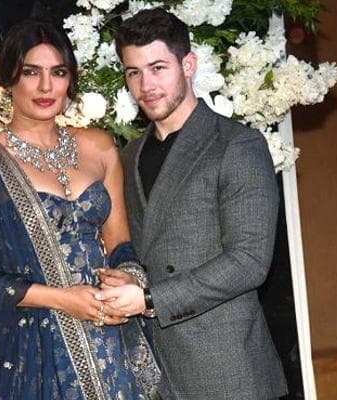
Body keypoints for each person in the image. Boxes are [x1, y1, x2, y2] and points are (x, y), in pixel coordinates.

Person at [0, 19, 160, 400]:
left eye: (58, 72)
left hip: (111, 339)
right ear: (8, 78)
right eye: (31, 72)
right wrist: (62, 299)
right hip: (35, 352)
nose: (46, 87)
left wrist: (128, 278)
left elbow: (119, 243)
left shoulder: (100, 148)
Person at [97, 8, 288, 400]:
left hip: (229, 374)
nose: (146, 85)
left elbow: (249, 262)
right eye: (134, 72)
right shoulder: (129, 156)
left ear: (188, 65)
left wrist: (149, 299)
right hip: (158, 373)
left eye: (158, 68)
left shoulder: (236, 145)